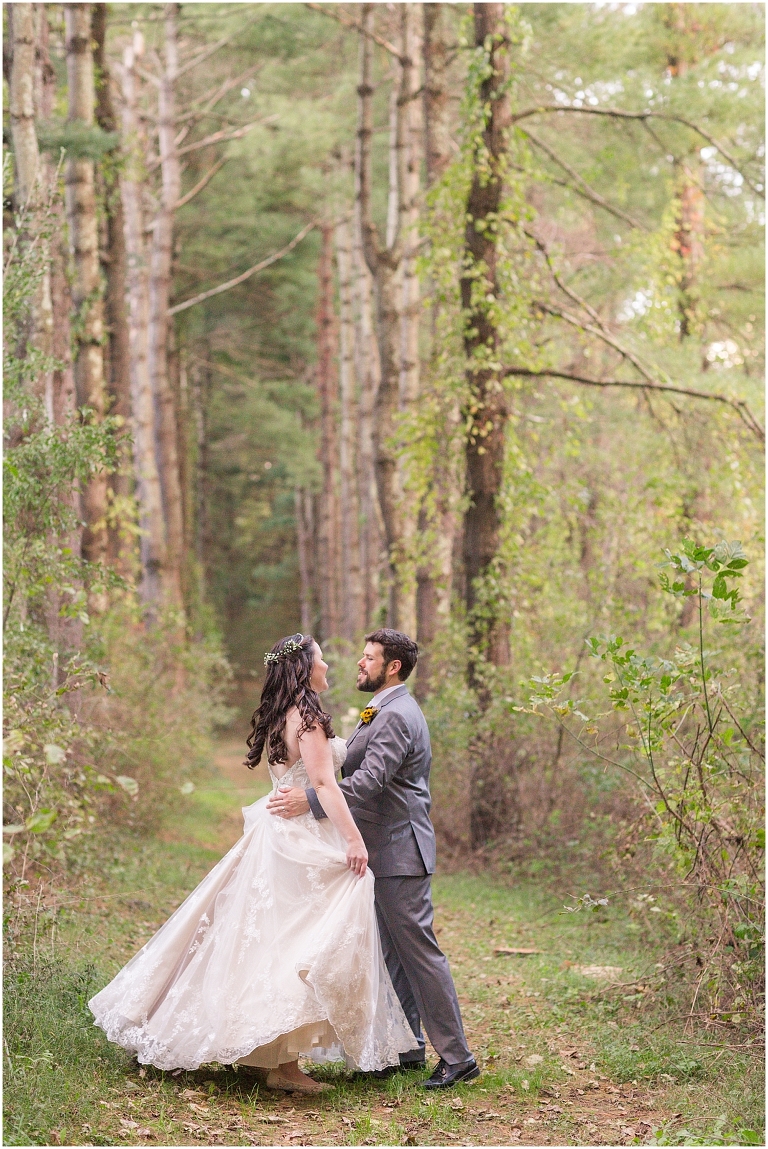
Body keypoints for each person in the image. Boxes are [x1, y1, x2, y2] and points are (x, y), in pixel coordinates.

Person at [88, 634, 420, 1092]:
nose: (328, 666)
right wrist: (354, 840)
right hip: (300, 840)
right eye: (321, 659)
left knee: (270, 940)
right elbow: (324, 785)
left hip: (278, 835)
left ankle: (269, 1057)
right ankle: (284, 1067)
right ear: (304, 668)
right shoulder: (309, 719)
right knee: (297, 942)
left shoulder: (283, 714)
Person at [267, 628, 479, 1090]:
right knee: (391, 954)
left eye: (369, 657)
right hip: (381, 847)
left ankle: (458, 1057)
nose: (360, 664)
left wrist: (310, 799)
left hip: (400, 849)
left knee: (419, 954)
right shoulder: (381, 709)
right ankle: (407, 1049)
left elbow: (370, 781)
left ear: (393, 667)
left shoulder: (397, 714)